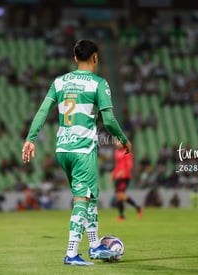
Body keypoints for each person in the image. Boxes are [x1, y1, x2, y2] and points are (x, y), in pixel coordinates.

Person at [21, 40, 132, 266]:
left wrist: (30, 139)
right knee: (82, 200)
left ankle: (94, 246)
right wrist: (123, 139)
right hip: (83, 149)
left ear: (75, 58)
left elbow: (43, 110)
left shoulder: (60, 82)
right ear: (95, 58)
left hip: (63, 149)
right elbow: (108, 120)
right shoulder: (98, 83)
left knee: (90, 197)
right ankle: (71, 253)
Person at [112, 140, 142, 221]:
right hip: (118, 176)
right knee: (118, 197)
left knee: (121, 194)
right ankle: (121, 216)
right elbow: (117, 165)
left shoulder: (127, 151)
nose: (116, 143)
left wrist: (123, 172)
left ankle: (137, 207)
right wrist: (114, 173)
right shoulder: (116, 153)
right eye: (116, 141)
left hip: (125, 176)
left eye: (118, 141)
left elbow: (129, 165)